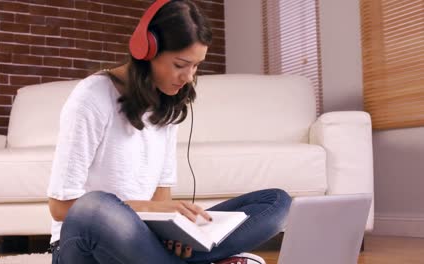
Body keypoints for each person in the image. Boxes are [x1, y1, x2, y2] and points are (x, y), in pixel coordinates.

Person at [47, 0, 292, 263]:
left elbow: (161, 198)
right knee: (94, 207)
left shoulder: (168, 104)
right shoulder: (91, 97)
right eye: (180, 65)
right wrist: (150, 209)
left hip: (143, 241)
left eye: (196, 66)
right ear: (146, 50)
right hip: (86, 243)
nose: (188, 77)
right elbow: (61, 208)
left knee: (276, 203)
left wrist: (175, 233)